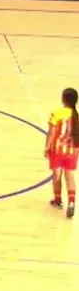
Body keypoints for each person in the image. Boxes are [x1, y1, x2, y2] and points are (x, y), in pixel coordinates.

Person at [45, 87, 79, 218]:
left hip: (57, 149)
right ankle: (71, 202)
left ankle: (58, 200)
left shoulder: (57, 113)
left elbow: (52, 132)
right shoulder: (76, 115)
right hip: (72, 150)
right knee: (70, 176)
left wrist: (47, 146)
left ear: (63, 99)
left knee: (57, 176)